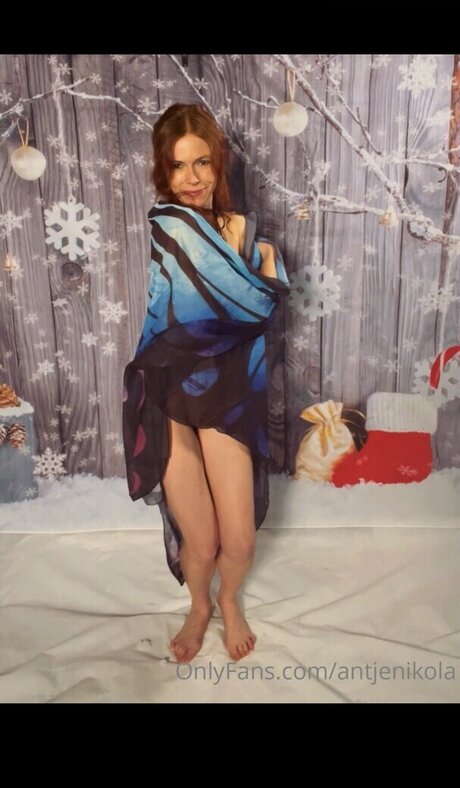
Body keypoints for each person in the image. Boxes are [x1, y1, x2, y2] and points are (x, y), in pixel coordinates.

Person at [122, 103, 290, 663]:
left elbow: (258, 309)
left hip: (227, 393)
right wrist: (261, 276)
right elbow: (171, 315)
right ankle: (199, 606)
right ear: (163, 171)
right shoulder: (167, 227)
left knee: (238, 539)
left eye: (202, 163)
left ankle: (229, 599)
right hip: (168, 391)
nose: (191, 178)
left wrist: (265, 261)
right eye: (178, 166)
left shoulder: (242, 230)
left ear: (218, 164)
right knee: (201, 538)